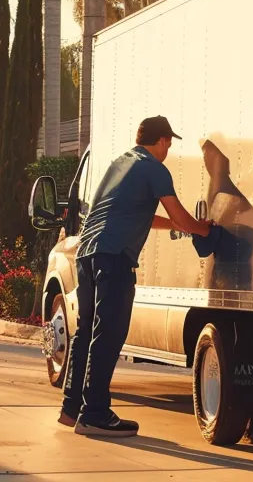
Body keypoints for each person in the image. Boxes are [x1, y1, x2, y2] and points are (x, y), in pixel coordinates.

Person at [61, 116, 211, 437]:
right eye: (168, 143)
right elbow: (180, 215)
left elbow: (133, 213)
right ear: (160, 141)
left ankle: (72, 406)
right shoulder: (154, 169)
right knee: (109, 333)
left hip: (87, 253)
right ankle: (95, 413)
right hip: (114, 258)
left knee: (86, 331)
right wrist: (204, 229)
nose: (168, 149)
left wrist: (174, 226)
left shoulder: (121, 164)